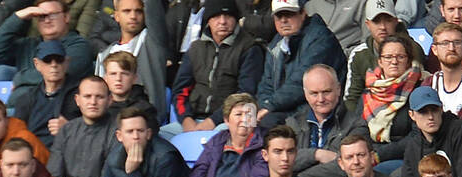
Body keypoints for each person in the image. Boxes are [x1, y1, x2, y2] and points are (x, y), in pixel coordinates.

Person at [169, 0, 265, 132]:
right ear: (208, 20)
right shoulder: (196, 48)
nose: (222, 21)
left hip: (228, 121)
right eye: (216, 17)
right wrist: (186, 120)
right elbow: (180, 90)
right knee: (163, 135)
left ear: (236, 19)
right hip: (192, 119)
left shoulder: (249, 48)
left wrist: (213, 120)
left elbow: (246, 94)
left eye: (228, 16)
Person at [257, 0, 347, 127]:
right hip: (284, 108)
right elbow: (266, 84)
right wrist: (264, 105)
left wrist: (269, 106)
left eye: (289, 14)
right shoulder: (275, 43)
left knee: (269, 123)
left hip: (316, 109)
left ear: (303, 14)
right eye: (279, 16)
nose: (283, 20)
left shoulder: (321, 38)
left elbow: (300, 83)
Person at [48, 75, 116, 177]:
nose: (93, 102)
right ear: (77, 100)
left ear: (109, 100)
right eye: (87, 96)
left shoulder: (117, 132)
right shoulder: (66, 130)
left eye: (99, 97)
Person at [91, 0, 170, 124]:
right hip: (108, 126)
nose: (133, 16)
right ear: (116, 16)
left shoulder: (153, 42)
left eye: (138, 11)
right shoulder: (104, 55)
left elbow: (154, 12)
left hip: (147, 122)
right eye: (127, 11)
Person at [0, 0, 92, 88]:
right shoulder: (29, 44)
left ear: (66, 17)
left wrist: (20, 78)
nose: (47, 20)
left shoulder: (79, 45)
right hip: (22, 105)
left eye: (52, 15)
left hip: (58, 107)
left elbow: (60, 73)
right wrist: (18, 17)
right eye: (41, 16)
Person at [345, 0, 427, 115]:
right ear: (367, 24)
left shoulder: (414, 49)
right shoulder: (359, 54)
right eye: (376, 21)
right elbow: (352, 99)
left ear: (395, 21)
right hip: (367, 117)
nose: (382, 27)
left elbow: (421, 89)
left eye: (387, 20)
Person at [287, 64, 362, 177]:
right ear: (305, 94)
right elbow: (283, 159)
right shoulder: (293, 123)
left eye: (326, 92)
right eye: (314, 93)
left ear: (338, 89)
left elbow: (348, 167)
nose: (321, 99)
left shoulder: (356, 125)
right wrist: (316, 154)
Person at [398, 85, 462, 177]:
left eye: (434, 110)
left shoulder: (459, 131)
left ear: (441, 109)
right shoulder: (414, 144)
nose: (431, 117)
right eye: (423, 112)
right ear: (411, 115)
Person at [356, 32, 422, 145]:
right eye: (388, 57)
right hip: (369, 154)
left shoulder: (418, 90)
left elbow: (416, 135)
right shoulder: (369, 91)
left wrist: (380, 155)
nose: (394, 62)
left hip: (403, 156)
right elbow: (359, 129)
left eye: (400, 57)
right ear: (380, 62)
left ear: (408, 62)